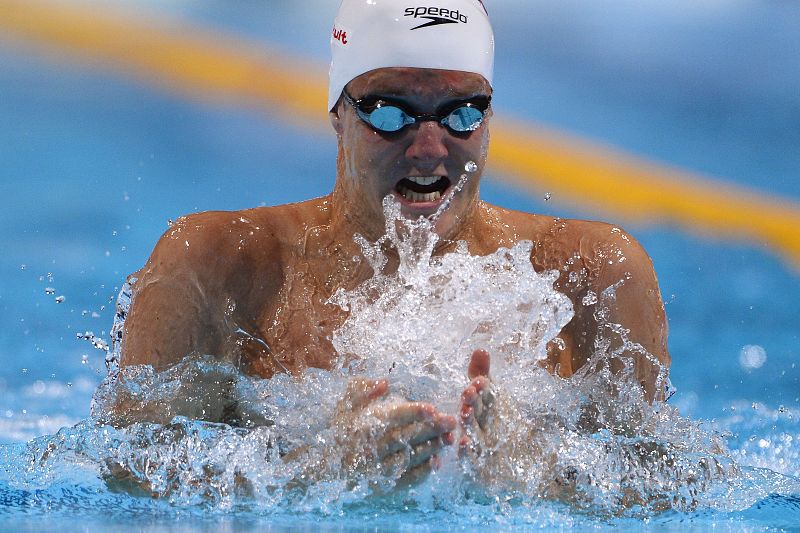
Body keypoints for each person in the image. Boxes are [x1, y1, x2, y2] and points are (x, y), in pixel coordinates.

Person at [116, 0, 670, 485]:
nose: (429, 149)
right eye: (390, 113)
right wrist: (313, 473)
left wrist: (535, 473)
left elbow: (669, 487)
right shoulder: (216, 264)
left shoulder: (591, 274)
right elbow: (126, 474)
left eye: (462, 114)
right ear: (339, 113)